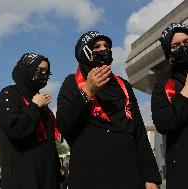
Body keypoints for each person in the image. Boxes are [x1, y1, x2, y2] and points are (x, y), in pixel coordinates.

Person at [56, 31, 161, 189]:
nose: (104, 49)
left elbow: (138, 130)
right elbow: (64, 125)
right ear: (84, 52)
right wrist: (87, 92)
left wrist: (150, 176)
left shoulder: (122, 85)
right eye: (96, 46)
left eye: (106, 46)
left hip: (128, 173)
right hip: (90, 174)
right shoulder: (71, 84)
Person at [0, 53, 61, 189]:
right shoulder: (9, 94)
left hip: (47, 179)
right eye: (39, 70)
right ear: (26, 69)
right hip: (22, 178)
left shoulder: (40, 101)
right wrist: (34, 106)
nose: (43, 75)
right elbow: (15, 129)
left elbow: (49, 142)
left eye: (46, 72)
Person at [152, 23, 188, 189]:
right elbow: (163, 123)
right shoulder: (162, 88)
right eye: (176, 45)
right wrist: (186, 92)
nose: (183, 47)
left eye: (186, 42)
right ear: (169, 54)